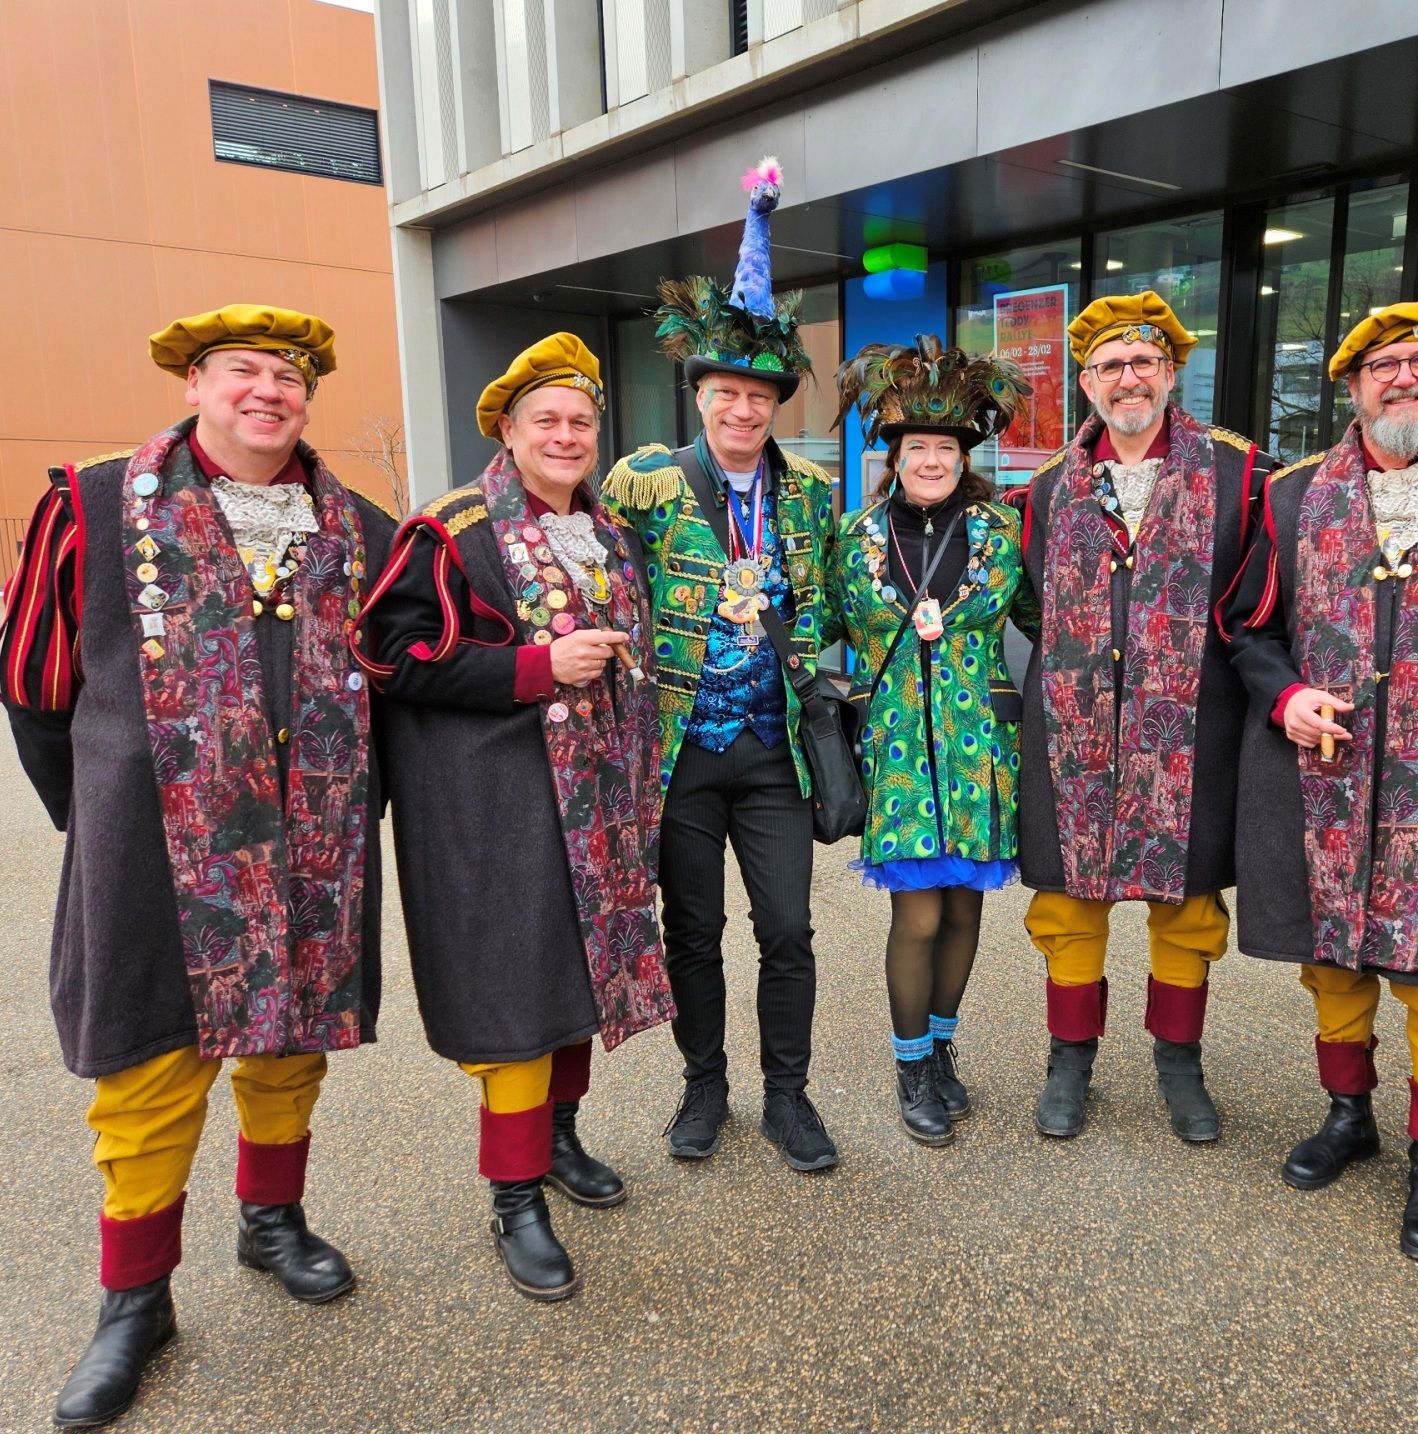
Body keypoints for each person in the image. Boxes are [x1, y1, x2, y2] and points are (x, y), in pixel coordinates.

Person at [0, 305, 395, 1427]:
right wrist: (105, 809)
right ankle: (135, 1300)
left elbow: (390, 690)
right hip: (152, 843)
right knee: (148, 1067)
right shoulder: (94, 503)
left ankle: (272, 1222)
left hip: (311, 841)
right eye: (242, 370)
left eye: (290, 376)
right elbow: (32, 682)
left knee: (289, 1048)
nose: (269, 390)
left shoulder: (361, 526)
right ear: (195, 385)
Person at [1219, 302, 1418, 1261]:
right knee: (1335, 961)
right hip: (1327, 772)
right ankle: (1348, 1115)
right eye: (1384, 366)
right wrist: (1286, 698)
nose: (1406, 378)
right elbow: (1249, 628)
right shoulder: (1289, 496)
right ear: (1353, 387)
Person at [358, 333, 672, 1300]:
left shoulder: (612, 534)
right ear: (506, 428)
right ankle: (514, 1198)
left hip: (597, 798)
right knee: (517, 995)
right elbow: (389, 657)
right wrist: (535, 668)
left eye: (582, 421)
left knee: (576, 978)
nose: (567, 436)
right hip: (500, 803)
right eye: (547, 420)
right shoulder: (451, 532)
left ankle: (559, 1140)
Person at [600, 159, 842, 1172]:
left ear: (776, 401)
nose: (741, 409)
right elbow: (602, 590)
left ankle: (789, 1095)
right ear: (698, 394)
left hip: (773, 747)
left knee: (786, 929)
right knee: (691, 932)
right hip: (682, 750)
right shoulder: (644, 483)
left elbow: (834, 603)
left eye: (757, 394)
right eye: (724, 392)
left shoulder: (811, 493)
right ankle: (705, 1087)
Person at [1010, 291, 1273, 1142]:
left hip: (1191, 727)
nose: (1129, 379)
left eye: (1144, 362)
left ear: (1170, 372)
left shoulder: (1241, 475)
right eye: (1111, 365)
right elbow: (1034, 604)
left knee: (1187, 906)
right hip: (1075, 727)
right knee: (1069, 903)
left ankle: (1179, 1063)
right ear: (1086, 382)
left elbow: (1258, 606)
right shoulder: (1047, 489)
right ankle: (1069, 1060)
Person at [823, 335, 1031, 1144]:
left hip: (979, 749)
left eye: (946, 448)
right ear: (895, 456)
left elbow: (1049, 621)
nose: (932, 460)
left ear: (963, 457)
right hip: (898, 751)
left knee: (963, 914)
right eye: (918, 448)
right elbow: (818, 626)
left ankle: (942, 1050)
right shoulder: (854, 538)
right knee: (916, 916)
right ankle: (910, 1067)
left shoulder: (1001, 533)